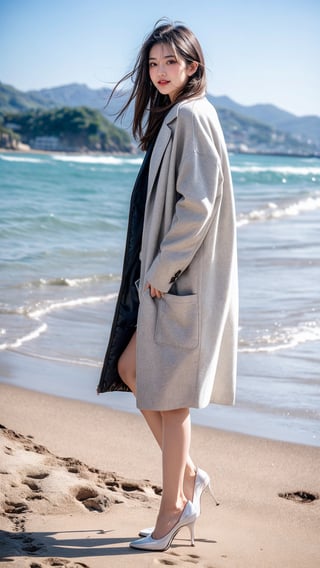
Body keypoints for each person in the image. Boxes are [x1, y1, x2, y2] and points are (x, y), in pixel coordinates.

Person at [97, 19, 238, 552]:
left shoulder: (193, 116)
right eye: (153, 63)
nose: (160, 72)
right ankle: (192, 477)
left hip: (176, 282)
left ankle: (173, 509)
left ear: (192, 66)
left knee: (169, 400)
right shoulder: (174, 116)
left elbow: (197, 206)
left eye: (170, 63)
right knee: (134, 371)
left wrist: (160, 273)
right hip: (163, 282)